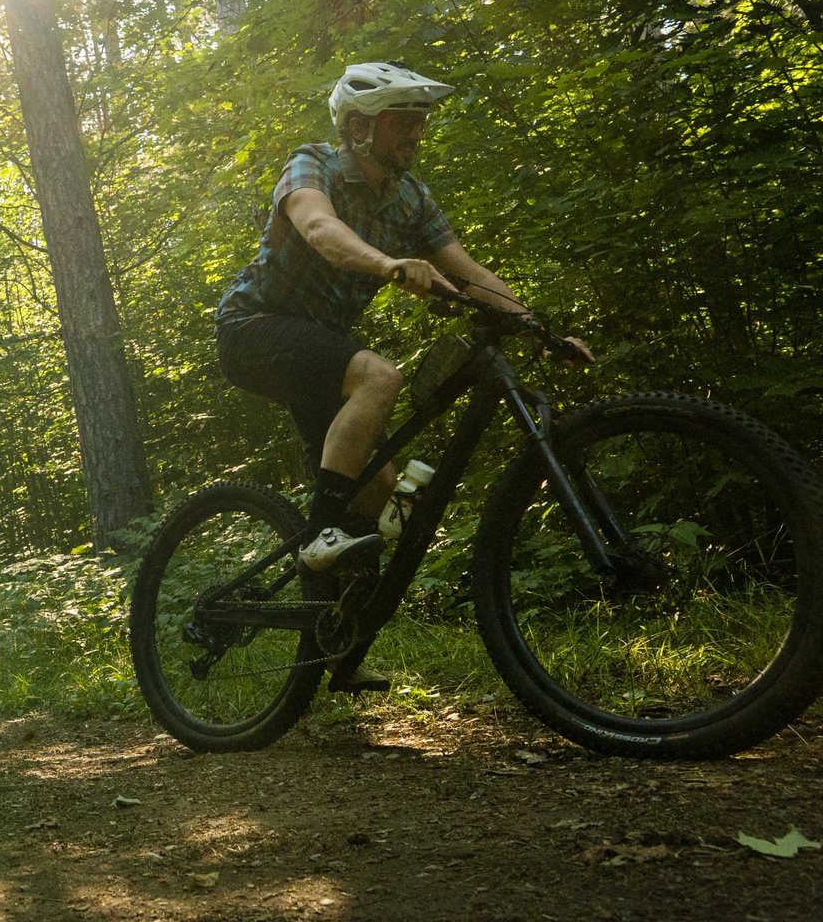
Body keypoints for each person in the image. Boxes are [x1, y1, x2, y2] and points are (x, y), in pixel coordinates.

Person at [214, 62, 588, 690]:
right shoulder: (314, 165)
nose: (416, 133)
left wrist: (537, 328)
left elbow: (466, 270)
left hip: (318, 349)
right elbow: (318, 227)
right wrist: (389, 263)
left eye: (420, 122)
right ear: (359, 127)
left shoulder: (410, 197)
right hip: (254, 330)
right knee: (378, 377)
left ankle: (333, 645)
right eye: (402, 122)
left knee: (377, 494)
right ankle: (324, 534)